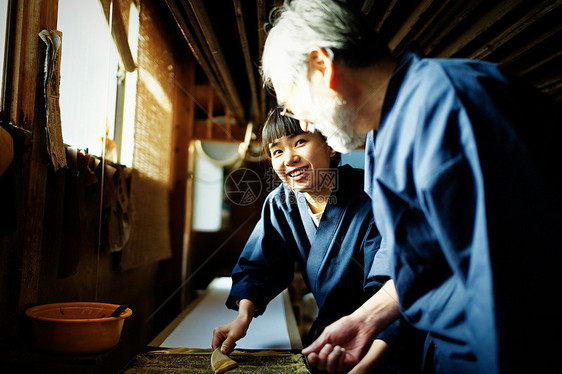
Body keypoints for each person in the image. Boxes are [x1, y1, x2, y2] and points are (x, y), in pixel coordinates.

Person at [260, 1, 562, 374]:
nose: (305, 121)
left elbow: (505, 291)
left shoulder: (448, 106)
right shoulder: (380, 140)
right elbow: (428, 263)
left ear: (322, 66)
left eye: (294, 105)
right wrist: (368, 319)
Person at [212, 108, 422, 373]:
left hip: (386, 341)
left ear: (330, 145)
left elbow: (393, 290)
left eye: (300, 141)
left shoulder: (371, 197)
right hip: (328, 341)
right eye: (277, 151)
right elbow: (259, 266)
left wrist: (366, 366)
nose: (289, 158)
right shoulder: (281, 203)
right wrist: (243, 317)